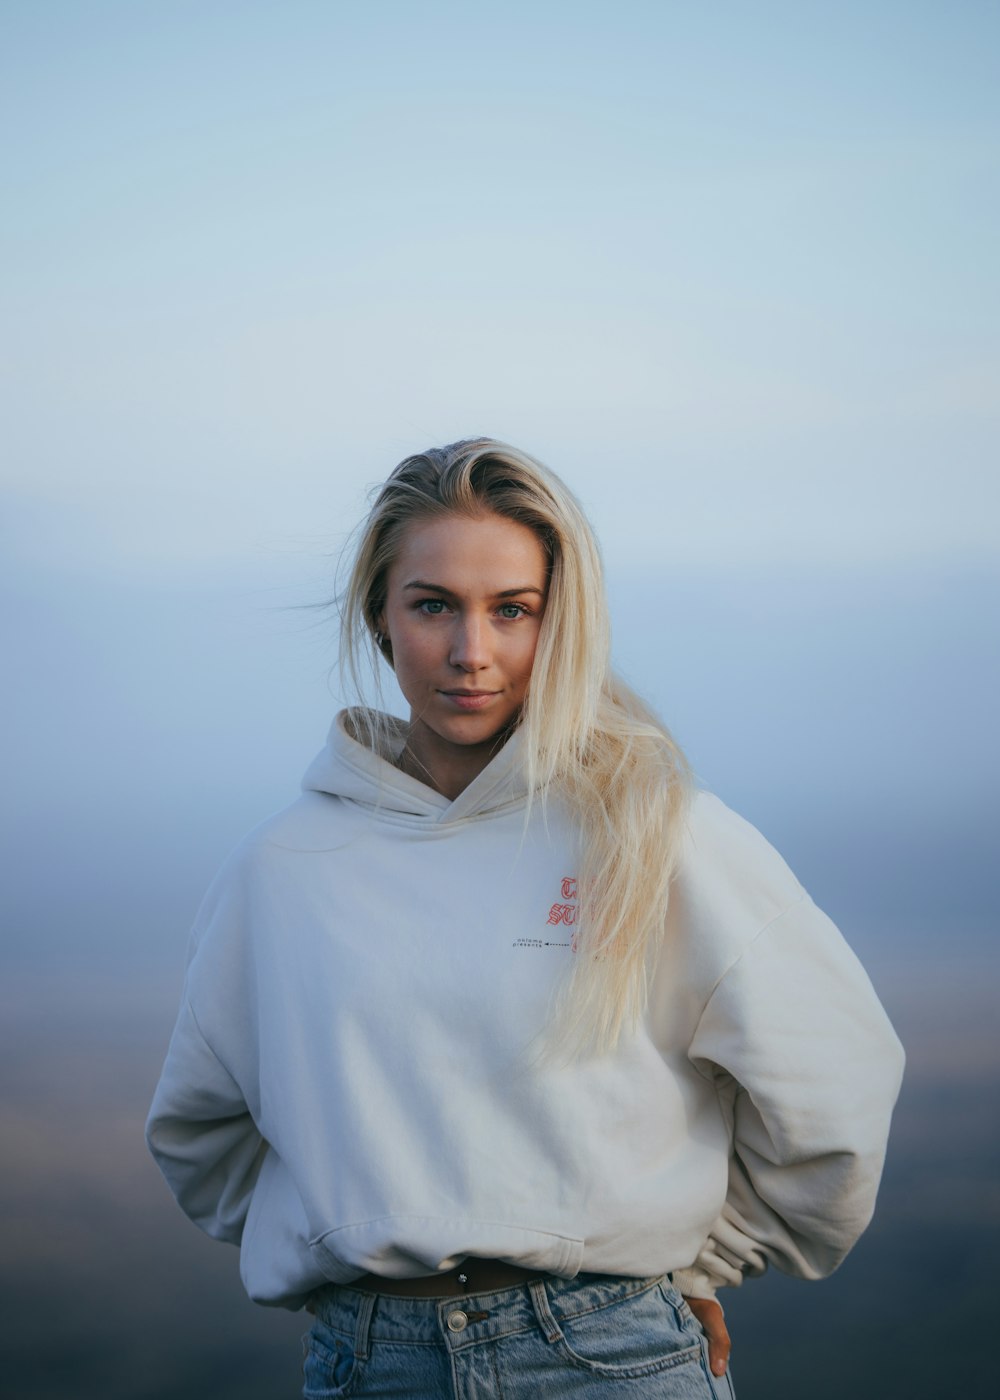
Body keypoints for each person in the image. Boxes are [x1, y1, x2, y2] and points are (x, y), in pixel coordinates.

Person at [146, 438, 904, 1399]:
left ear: (564, 623)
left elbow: (836, 1080)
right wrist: (355, 1222)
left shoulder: (659, 833)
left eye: (514, 611)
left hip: (609, 1356)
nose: (473, 652)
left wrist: (691, 1269)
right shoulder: (282, 869)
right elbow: (200, 1135)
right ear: (380, 617)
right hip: (370, 1366)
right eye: (433, 606)